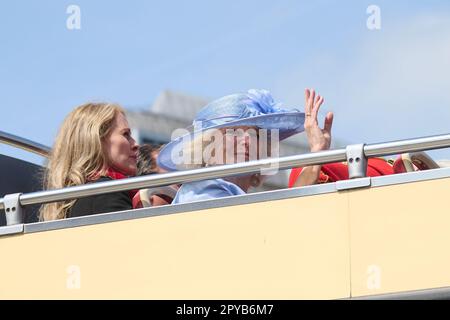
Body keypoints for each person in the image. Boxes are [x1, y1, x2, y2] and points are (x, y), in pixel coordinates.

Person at [157, 88, 330, 204]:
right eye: (234, 132)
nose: (246, 140)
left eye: (254, 134)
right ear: (209, 147)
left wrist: (317, 151)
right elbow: (275, 226)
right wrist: (315, 154)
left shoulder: (230, 193)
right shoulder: (202, 191)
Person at [40, 102, 139, 221]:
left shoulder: (76, 196)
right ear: (97, 140)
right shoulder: (107, 191)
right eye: (126, 134)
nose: (136, 144)